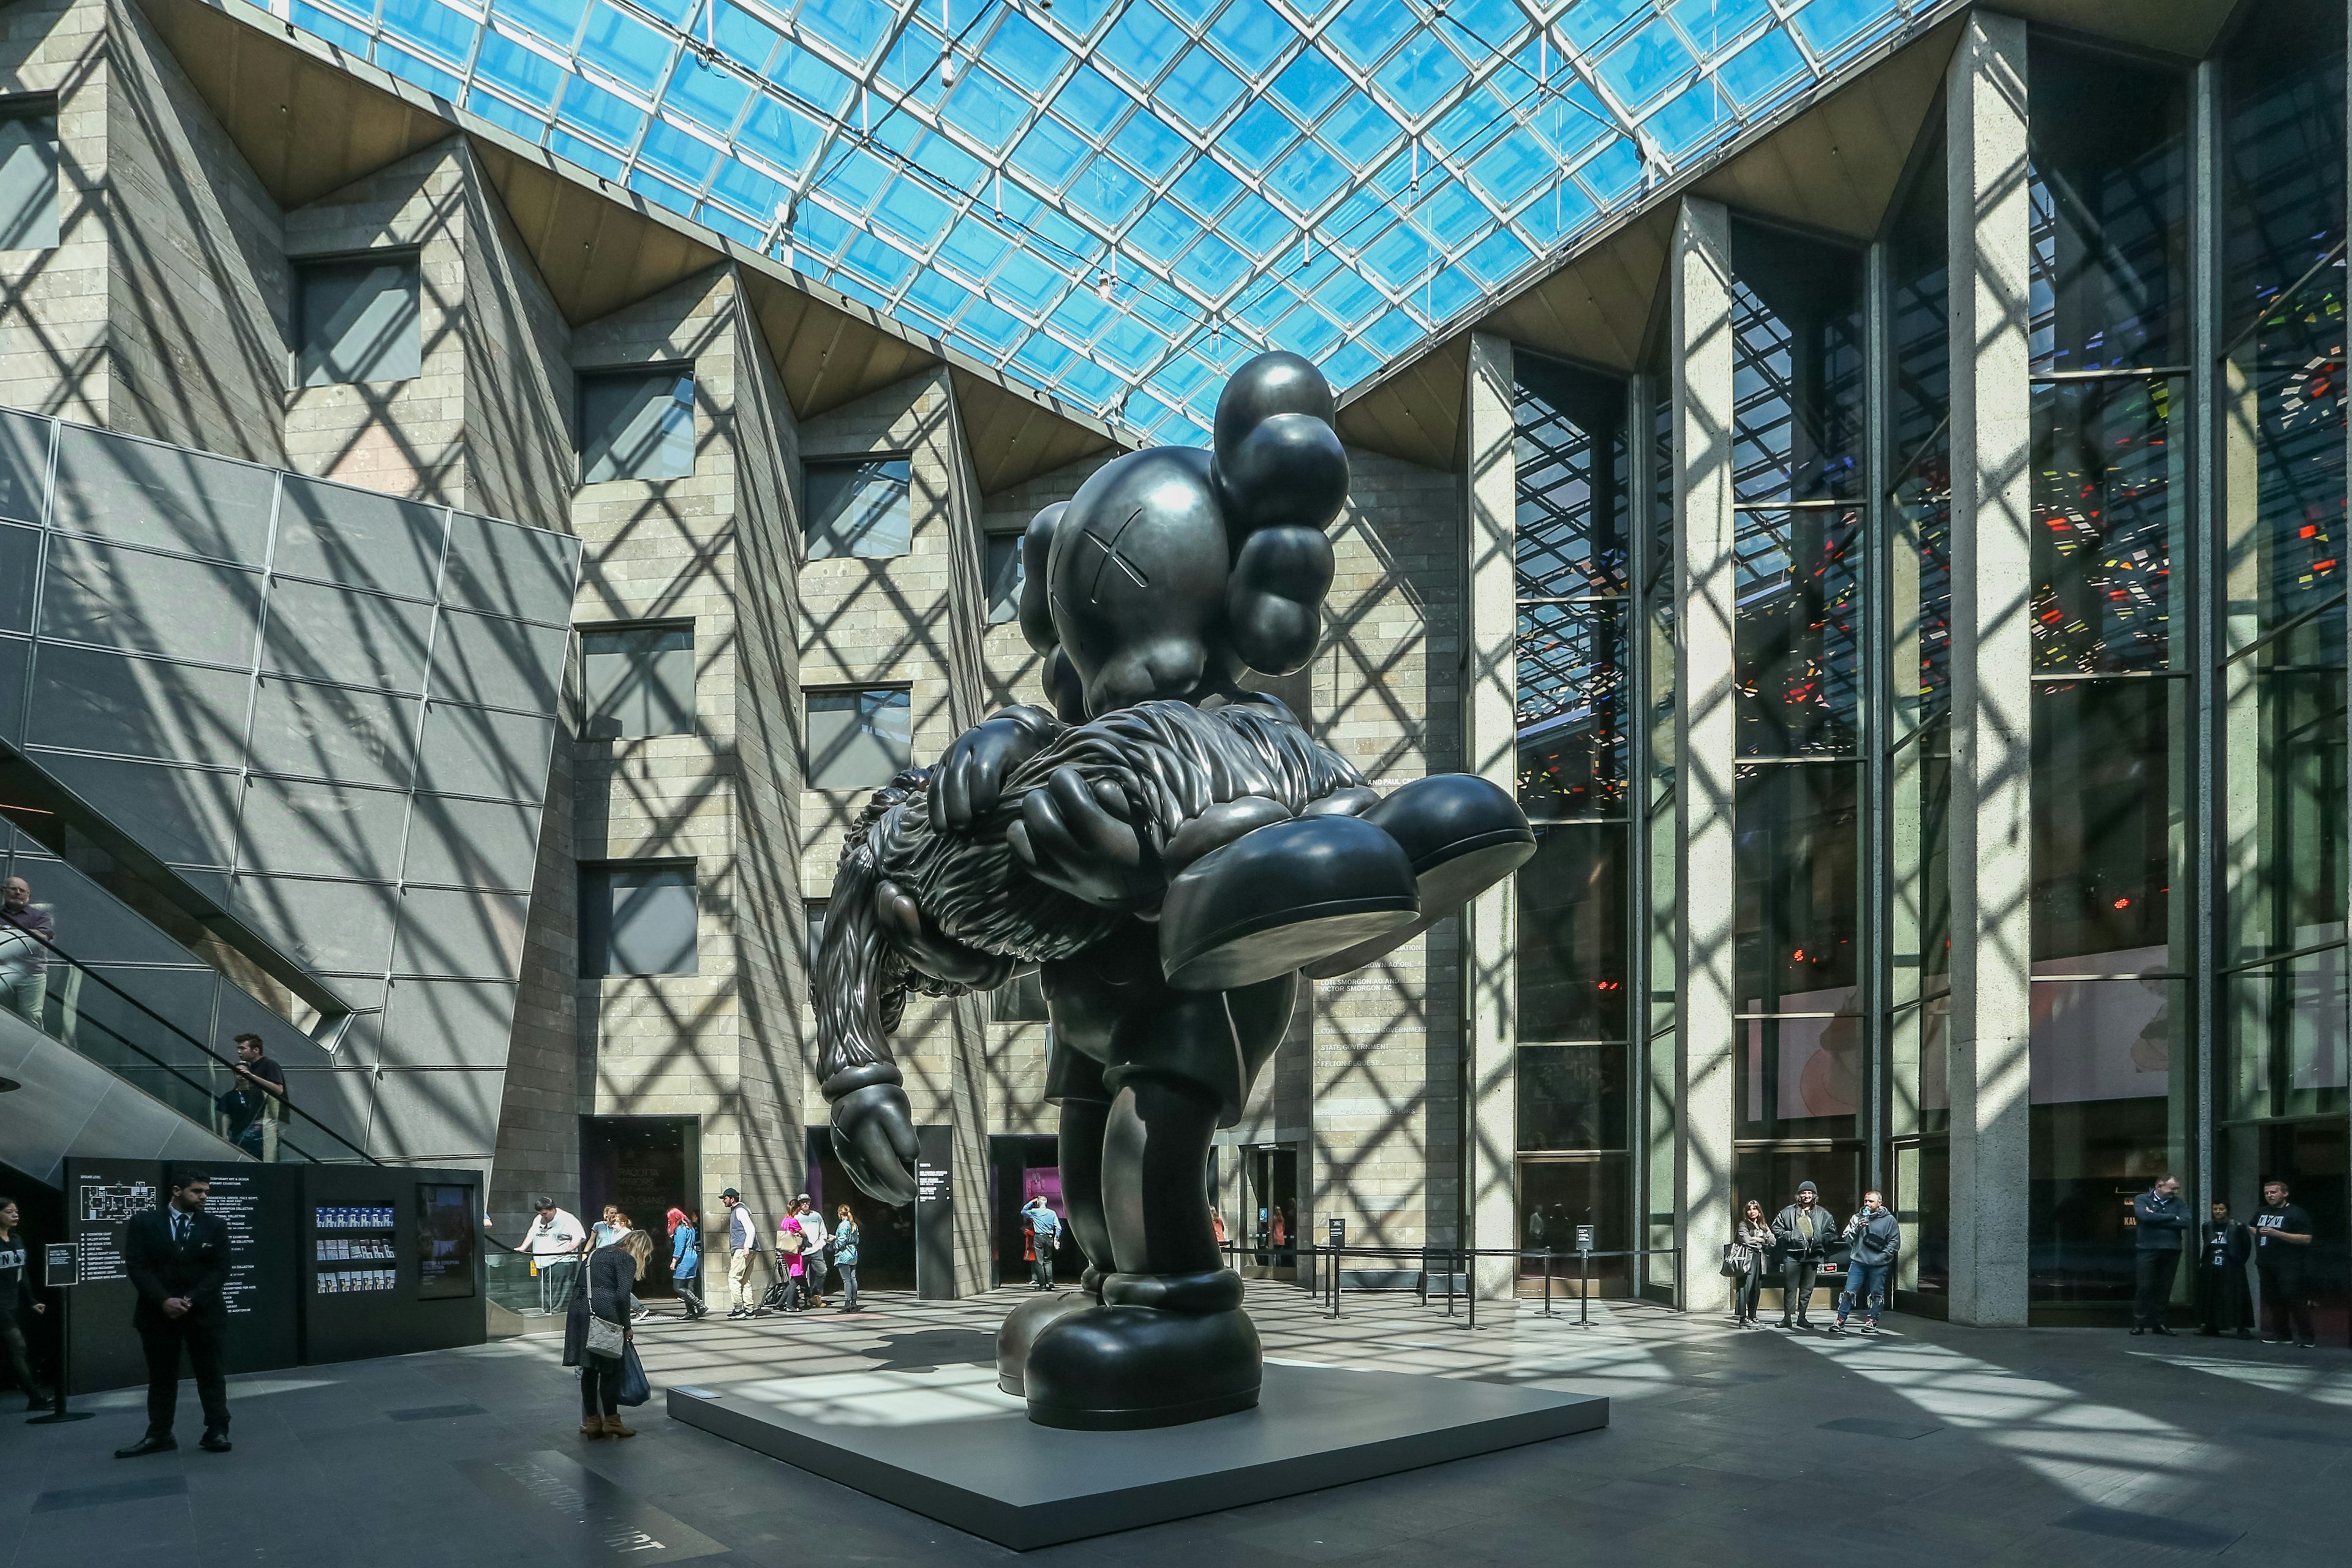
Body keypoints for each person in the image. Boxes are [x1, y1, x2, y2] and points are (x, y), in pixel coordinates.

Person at [115, 1170, 233, 1457]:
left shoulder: (215, 1225)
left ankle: (217, 1430)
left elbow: (221, 1268)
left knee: (211, 1373)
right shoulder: (145, 1222)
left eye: (206, 1191)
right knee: (161, 1376)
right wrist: (164, 1300)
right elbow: (137, 1265)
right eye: (197, 1191)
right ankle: (160, 1433)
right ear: (177, 1191)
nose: (204, 1197)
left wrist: (190, 1299)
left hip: (204, 1312)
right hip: (158, 1313)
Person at [566, 1227, 649, 1439]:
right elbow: (623, 1296)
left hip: (579, 1310)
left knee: (589, 1369)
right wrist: (627, 1325)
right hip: (605, 1312)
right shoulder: (626, 1259)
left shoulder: (597, 1252)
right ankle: (612, 1420)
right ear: (639, 1248)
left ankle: (593, 1422)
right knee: (610, 1368)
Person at [2252, 1179, 2317, 1348]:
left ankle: (2307, 1336)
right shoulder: (2262, 1212)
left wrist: (2278, 1234)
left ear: (2285, 1193)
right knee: (2274, 1300)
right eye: (2267, 1193)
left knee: (2293, 1298)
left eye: (2274, 1192)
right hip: (2266, 1263)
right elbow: (2251, 1226)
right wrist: (2260, 1234)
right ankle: (2282, 1334)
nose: (2270, 1196)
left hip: (2289, 1264)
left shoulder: (2296, 1213)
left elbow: (2306, 1239)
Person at [0, 1197, 51, 1408]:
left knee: (19, 1348)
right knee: (17, 1346)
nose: (15, 1215)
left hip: (15, 1302)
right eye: (9, 1211)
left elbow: (23, 1273)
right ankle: (35, 1398)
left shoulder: (17, 1239)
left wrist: (31, 1301)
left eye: (17, 1211)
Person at [1771, 1180, 1834, 1329]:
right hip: (1793, 1254)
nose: (1807, 1196)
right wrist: (1790, 1236)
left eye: (1810, 1193)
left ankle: (1802, 1317)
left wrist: (1820, 1239)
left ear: (1814, 1195)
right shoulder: (1787, 1212)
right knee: (1790, 1287)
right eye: (1804, 1193)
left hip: (1813, 1255)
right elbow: (1776, 1227)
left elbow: (1832, 1233)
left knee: (1807, 1288)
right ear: (1799, 1195)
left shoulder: (1823, 1214)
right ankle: (1787, 1317)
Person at [1835, 1191, 1901, 1334]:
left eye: (1871, 1201)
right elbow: (1846, 1238)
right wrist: (1857, 1228)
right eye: (1865, 1201)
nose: (1867, 1204)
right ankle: (1840, 1320)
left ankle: (1873, 1321)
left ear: (1879, 1203)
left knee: (1876, 1294)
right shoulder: (1857, 1218)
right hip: (1858, 1262)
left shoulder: (1889, 1220)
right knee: (1849, 1292)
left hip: (1879, 1264)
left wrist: (1883, 1257)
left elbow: (1894, 1243)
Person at [2130, 1174, 2187, 1336]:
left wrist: (2155, 1217)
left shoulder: (2179, 1203)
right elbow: (2144, 1216)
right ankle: (2139, 1324)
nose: (2175, 1192)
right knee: (2144, 1287)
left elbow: (2186, 1221)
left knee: (2164, 1289)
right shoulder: (2142, 1199)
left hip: (2172, 1249)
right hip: (2147, 1249)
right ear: (2159, 1186)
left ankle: (2159, 1324)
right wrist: (2172, 1217)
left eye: (2177, 1189)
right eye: (2172, 1189)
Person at [217, 1034, 287, 1163]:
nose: (239, 1051)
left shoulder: (268, 1064)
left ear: (256, 1050)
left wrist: (253, 1077)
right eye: (238, 1048)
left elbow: (279, 1089)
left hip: (266, 1121)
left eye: (243, 1048)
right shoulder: (250, 1067)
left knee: (263, 1156)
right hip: (251, 1121)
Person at [2195, 1199, 2253, 1339]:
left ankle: (2241, 1326)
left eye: (2221, 1209)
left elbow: (2246, 1246)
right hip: (2211, 1264)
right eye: (2215, 1209)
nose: (2218, 1212)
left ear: (2227, 1210)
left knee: (2237, 1294)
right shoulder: (2207, 1225)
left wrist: (2237, 1261)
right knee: (2211, 1294)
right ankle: (2210, 1325)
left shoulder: (2238, 1226)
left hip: (2232, 1264)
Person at [0, 875, 53, 1028]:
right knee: (6, 1015)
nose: (18, 893)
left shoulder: (40, 916)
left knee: (31, 1015)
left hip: (32, 974)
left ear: (28, 895)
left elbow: (44, 935)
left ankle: (37, 1050)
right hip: (4, 971)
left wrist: (6, 929)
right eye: (13, 889)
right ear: (4, 891)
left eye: (22, 890)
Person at [522, 1196, 587, 1310]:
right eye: (541, 1214)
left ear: (553, 1209)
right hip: (542, 1261)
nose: (543, 1216)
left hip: (561, 1261)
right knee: (546, 1289)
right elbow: (532, 1234)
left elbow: (579, 1236)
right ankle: (548, 1310)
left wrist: (570, 1248)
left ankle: (556, 1312)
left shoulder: (567, 1219)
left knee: (559, 1290)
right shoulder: (538, 1218)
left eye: (545, 1214)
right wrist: (522, 1247)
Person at [1730, 1200, 1771, 1327]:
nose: (1752, 1211)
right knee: (1744, 1288)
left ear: (1759, 1211)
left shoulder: (1763, 1225)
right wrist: (1763, 1240)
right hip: (1746, 1259)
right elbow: (1747, 1240)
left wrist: (1761, 1240)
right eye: (1749, 1209)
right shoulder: (1743, 1224)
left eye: (1754, 1209)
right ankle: (1743, 1318)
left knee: (1755, 1289)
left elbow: (1773, 1240)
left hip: (1759, 1259)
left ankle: (1753, 1315)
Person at [722, 1189, 760, 1317]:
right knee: (745, 1280)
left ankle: (738, 1309)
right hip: (748, 1249)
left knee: (734, 1278)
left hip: (742, 1249)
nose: (723, 1201)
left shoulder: (740, 1210)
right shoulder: (740, 1210)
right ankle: (749, 1309)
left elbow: (751, 1229)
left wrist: (746, 1247)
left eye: (725, 1198)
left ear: (733, 1199)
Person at [795, 1196, 831, 1308]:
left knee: (822, 1270)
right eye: (802, 1203)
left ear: (810, 1202)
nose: (805, 1204)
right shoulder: (796, 1217)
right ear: (799, 1205)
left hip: (816, 1250)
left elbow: (823, 1232)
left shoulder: (817, 1216)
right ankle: (806, 1295)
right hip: (802, 1251)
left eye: (807, 1202)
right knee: (800, 1274)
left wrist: (820, 1245)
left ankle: (816, 1295)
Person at [670, 1209, 706, 1320]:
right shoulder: (689, 1227)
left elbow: (680, 1247)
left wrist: (674, 1261)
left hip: (685, 1258)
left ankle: (699, 1305)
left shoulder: (680, 1229)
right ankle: (690, 1311)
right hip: (693, 1256)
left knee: (678, 1287)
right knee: (688, 1286)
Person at [1023, 1197, 1062, 1291]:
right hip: (1049, 1238)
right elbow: (1059, 1228)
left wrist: (1031, 1202)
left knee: (1039, 1262)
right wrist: (1056, 1239)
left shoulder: (1034, 1212)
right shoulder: (1052, 1213)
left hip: (1039, 1237)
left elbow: (1023, 1211)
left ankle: (1042, 1285)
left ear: (1038, 1203)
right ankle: (1051, 1281)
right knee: (1048, 1260)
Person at [831, 1205, 861, 1314]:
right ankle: (854, 1303)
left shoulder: (843, 1225)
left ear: (839, 1213)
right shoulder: (854, 1224)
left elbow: (842, 1241)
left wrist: (833, 1243)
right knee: (853, 1278)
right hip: (853, 1253)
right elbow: (857, 1240)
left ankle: (847, 1303)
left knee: (847, 1280)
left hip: (844, 1254)